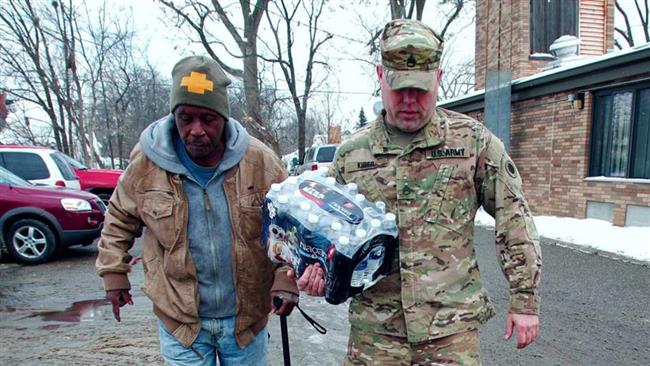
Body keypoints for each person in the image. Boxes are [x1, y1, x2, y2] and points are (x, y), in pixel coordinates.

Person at [297, 19, 542, 365]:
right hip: (375, 332)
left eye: (421, 89)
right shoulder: (352, 155)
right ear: (381, 77)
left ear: (439, 78)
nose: (410, 100)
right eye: (400, 89)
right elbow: (324, 233)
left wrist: (524, 299)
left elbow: (513, 216)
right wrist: (316, 270)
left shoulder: (472, 142)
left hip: (450, 330)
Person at [95, 55, 298, 366]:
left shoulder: (260, 161)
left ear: (224, 119)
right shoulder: (146, 163)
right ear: (174, 115)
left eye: (208, 119)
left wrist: (285, 278)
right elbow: (119, 217)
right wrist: (113, 273)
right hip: (181, 321)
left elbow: (289, 224)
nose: (196, 130)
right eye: (186, 118)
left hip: (245, 323)